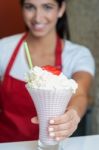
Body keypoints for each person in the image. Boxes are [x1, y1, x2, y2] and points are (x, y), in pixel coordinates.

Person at [0, 0, 95, 143]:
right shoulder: (4, 48)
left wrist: (73, 113)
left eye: (47, 7)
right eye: (30, 7)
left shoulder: (78, 55)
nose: (38, 17)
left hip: (53, 145)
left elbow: (80, 93)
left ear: (61, 8)